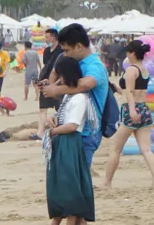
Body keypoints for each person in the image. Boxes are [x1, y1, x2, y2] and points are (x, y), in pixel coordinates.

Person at [42, 23, 110, 170]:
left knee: (78, 178)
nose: (64, 55)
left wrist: (56, 90)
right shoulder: (78, 63)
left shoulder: (94, 65)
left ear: (79, 46)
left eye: (67, 50)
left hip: (86, 133)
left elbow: (86, 84)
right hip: (73, 131)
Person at [42, 57, 95, 225]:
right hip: (62, 140)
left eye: (60, 76)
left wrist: (52, 131)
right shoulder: (69, 97)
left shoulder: (79, 98)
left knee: (69, 183)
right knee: (59, 183)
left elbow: (73, 125)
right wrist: (54, 122)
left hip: (70, 141)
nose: (58, 81)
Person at [102, 39, 154, 188]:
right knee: (146, 149)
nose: (126, 55)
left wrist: (132, 110)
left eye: (128, 52)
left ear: (132, 53)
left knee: (115, 149)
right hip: (144, 109)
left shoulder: (130, 69)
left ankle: (107, 182)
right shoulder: (144, 70)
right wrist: (116, 88)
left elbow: (129, 92)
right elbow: (134, 91)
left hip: (132, 110)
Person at [36, 28, 63, 138]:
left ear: (53, 37)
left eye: (47, 37)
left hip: (58, 83)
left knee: (60, 107)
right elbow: (46, 66)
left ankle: (60, 129)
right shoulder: (46, 51)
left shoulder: (61, 50)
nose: (45, 39)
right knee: (43, 108)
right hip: (45, 82)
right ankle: (40, 132)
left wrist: (56, 82)